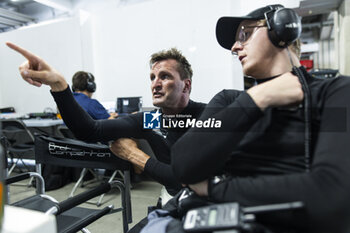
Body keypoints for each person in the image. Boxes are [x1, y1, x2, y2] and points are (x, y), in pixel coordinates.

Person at [166, 4, 350, 233]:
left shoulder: (336, 92)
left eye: (245, 34)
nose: (234, 47)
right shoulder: (229, 101)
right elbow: (183, 164)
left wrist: (214, 188)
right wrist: (257, 97)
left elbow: (331, 196)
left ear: (282, 29)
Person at [5, 43, 206, 199]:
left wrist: (132, 155)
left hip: (204, 201)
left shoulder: (206, 116)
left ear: (186, 85)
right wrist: (59, 85)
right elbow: (89, 130)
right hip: (173, 199)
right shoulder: (152, 119)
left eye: (164, 76)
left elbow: (185, 180)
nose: (155, 84)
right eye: (152, 77)